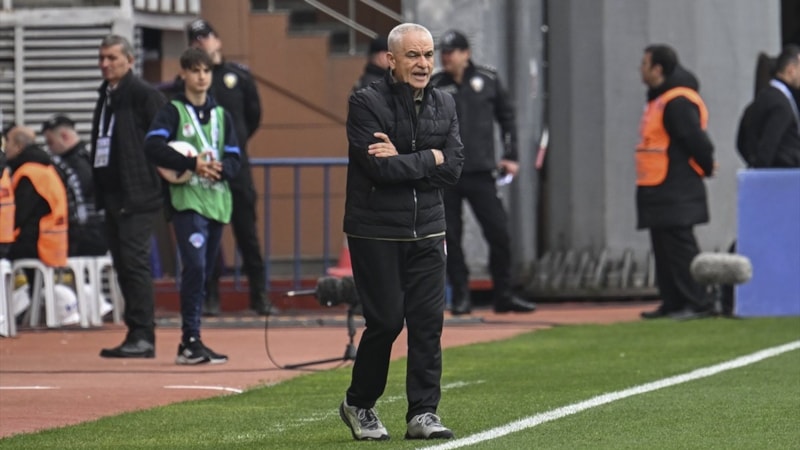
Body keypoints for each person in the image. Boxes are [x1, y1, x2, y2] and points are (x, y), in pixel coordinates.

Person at [338, 23, 463, 441]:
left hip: (428, 230)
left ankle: (423, 413)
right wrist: (430, 156)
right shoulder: (364, 102)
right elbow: (379, 168)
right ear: (391, 60)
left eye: (428, 54)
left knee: (427, 324)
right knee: (387, 322)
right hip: (376, 232)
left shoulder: (446, 102)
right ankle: (359, 403)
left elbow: (454, 168)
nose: (423, 63)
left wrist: (409, 160)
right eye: (413, 55)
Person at [144, 48, 240, 365]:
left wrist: (220, 170)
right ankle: (189, 340)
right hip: (187, 201)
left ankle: (193, 339)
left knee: (205, 272)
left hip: (216, 201)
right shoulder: (172, 111)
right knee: (195, 267)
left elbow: (235, 158)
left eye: (206, 70)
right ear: (183, 73)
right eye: (195, 70)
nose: (201, 76)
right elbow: (152, 145)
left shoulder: (222, 115)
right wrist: (191, 164)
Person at [430, 30, 536, 315]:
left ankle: (504, 294)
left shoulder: (487, 79)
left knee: (499, 232)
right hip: (448, 173)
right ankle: (461, 296)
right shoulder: (436, 85)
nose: (446, 57)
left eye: (452, 52)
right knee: (451, 236)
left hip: (481, 171)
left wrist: (510, 156)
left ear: (466, 53)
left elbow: (507, 118)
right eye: (444, 52)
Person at [185, 19, 276, 316]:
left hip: (235, 168)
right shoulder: (188, 83)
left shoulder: (238, 77)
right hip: (204, 170)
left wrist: (235, 143)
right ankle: (210, 297)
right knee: (207, 235)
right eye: (195, 39)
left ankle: (259, 296)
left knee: (247, 234)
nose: (202, 43)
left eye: (206, 36)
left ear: (218, 40)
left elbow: (253, 116)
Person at [92, 34, 166, 358]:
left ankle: (144, 335)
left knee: (135, 263)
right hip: (112, 195)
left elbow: (165, 139)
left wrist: (153, 178)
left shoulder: (144, 95)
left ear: (130, 60)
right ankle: (135, 332)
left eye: (112, 58)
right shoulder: (106, 95)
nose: (105, 64)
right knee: (122, 264)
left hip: (137, 194)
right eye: (102, 58)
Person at [636, 44, 715, 320]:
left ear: (658, 69)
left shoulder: (676, 101)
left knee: (680, 248)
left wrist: (706, 167)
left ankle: (697, 301)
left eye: (644, 64)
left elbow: (696, 141)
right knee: (663, 246)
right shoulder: (660, 99)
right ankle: (672, 301)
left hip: (675, 185)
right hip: (658, 186)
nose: (640, 69)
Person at [41, 115, 108, 257]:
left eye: (50, 142)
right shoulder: (92, 157)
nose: (49, 148)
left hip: (85, 234)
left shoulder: (73, 166)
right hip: (98, 230)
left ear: (64, 136)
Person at [3, 124, 68, 267]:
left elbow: (17, 215)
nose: (5, 147)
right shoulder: (46, 167)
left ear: (18, 146)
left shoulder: (28, 173)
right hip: (53, 241)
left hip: (37, 243)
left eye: (8, 142)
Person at [737, 44, 800, 168]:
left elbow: (740, 142)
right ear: (791, 70)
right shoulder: (781, 104)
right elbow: (768, 147)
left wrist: (753, 164)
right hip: (782, 175)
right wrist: (762, 170)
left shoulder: (761, 99)